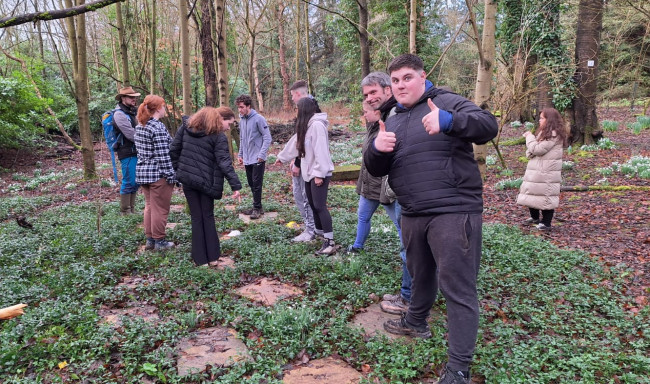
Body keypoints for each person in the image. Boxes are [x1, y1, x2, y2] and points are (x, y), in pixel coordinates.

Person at [365, 54, 498, 384]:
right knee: (419, 273)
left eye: (407, 78)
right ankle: (415, 321)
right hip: (412, 212)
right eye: (395, 81)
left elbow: (488, 126)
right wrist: (376, 149)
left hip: (452, 211)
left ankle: (458, 369)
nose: (400, 86)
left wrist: (450, 122)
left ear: (423, 77)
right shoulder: (391, 116)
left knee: (457, 289)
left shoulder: (444, 101)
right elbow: (375, 168)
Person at [349, 102, 410, 314]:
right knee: (362, 217)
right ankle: (357, 245)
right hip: (368, 186)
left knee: (401, 226)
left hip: (382, 189)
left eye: (366, 112)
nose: (363, 115)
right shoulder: (372, 128)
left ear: (377, 113)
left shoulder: (389, 126)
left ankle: (410, 283)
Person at [170, 106, 242, 267]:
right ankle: (212, 258)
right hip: (207, 183)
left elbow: (173, 151)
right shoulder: (218, 137)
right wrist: (235, 185)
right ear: (217, 119)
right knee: (207, 217)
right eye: (228, 124)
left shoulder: (185, 129)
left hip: (189, 181)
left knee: (196, 218)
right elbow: (224, 163)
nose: (228, 127)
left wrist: (180, 171)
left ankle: (200, 260)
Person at [277, 98, 336, 255]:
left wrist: (319, 174)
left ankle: (330, 242)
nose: (295, 111)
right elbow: (296, 143)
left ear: (304, 109)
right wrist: (282, 157)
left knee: (319, 206)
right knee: (312, 203)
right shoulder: (307, 126)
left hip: (319, 173)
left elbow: (321, 151)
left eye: (297, 108)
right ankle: (320, 232)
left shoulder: (317, 126)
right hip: (309, 173)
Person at [135, 94, 176, 251]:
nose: (165, 109)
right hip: (158, 175)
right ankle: (160, 241)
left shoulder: (140, 125)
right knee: (160, 208)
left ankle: (150, 240)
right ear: (158, 108)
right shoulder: (157, 127)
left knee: (150, 206)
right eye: (164, 106)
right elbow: (163, 156)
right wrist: (171, 176)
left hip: (143, 173)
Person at [516, 107, 567, 231]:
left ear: (549, 120)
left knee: (546, 197)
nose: (539, 121)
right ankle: (535, 218)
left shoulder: (553, 135)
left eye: (542, 118)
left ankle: (546, 223)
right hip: (538, 171)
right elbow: (534, 150)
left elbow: (538, 149)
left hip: (546, 172)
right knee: (532, 193)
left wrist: (529, 137)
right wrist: (531, 149)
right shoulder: (544, 133)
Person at [287, 80, 317, 242]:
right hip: (302, 160)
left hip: (306, 165)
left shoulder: (310, 111)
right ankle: (312, 227)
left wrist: (297, 163)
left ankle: (310, 230)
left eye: (292, 95)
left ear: (298, 94)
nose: (292, 99)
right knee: (301, 196)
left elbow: (306, 140)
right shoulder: (310, 108)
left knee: (304, 197)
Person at [236, 94, 272, 220]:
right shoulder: (242, 120)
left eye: (241, 107)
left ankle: (256, 208)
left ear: (248, 106)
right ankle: (258, 206)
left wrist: (262, 154)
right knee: (251, 184)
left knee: (257, 184)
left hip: (258, 158)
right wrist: (240, 154)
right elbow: (242, 139)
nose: (239, 110)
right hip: (247, 158)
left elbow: (267, 137)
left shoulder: (258, 119)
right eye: (238, 108)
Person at [113, 86, 141, 215]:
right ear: (123, 98)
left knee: (135, 181)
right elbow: (131, 134)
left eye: (135, 97)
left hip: (136, 151)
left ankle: (132, 209)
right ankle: (125, 211)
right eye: (131, 97)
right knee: (129, 180)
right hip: (127, 152)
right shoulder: (119, 114)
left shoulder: (132, 112)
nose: (134, 99)